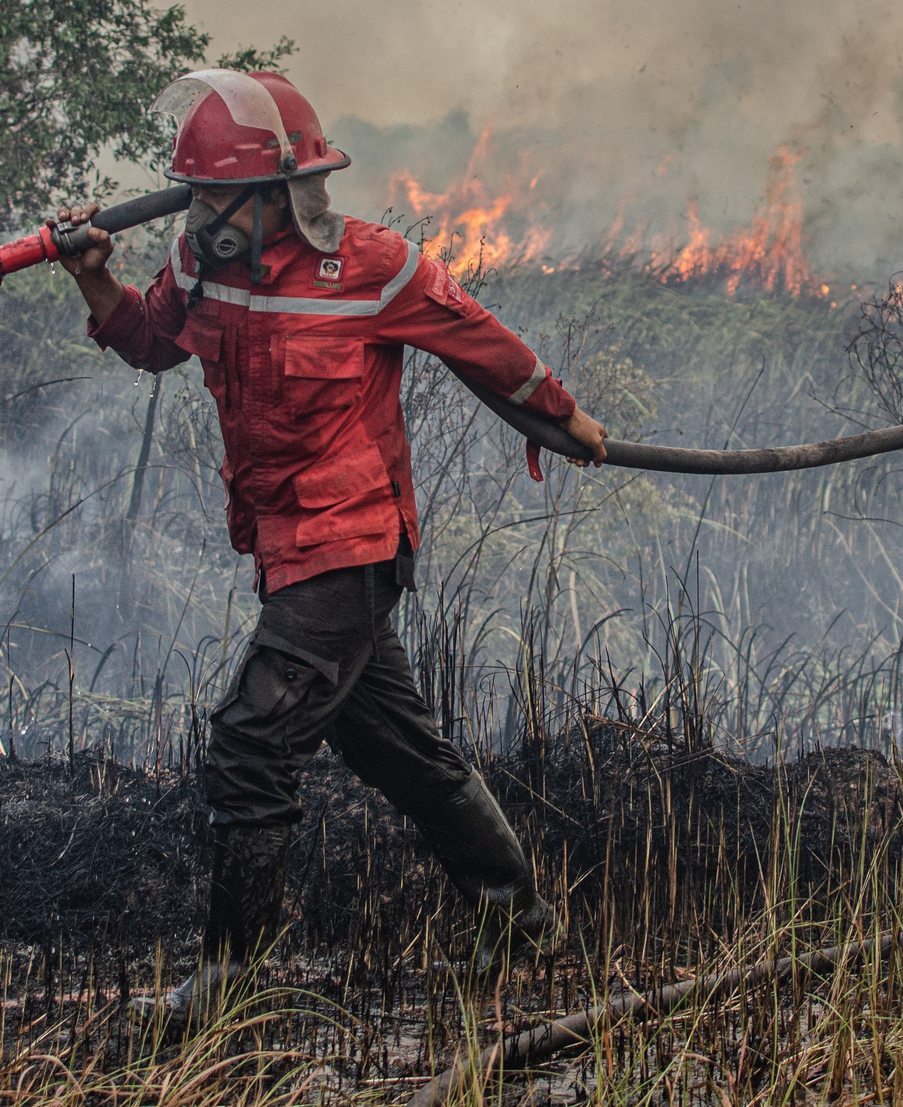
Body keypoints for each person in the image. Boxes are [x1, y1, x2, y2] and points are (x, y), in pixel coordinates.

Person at [55, 68, 612, 1034]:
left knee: (251, 738)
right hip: (282, 545)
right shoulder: (201, 269)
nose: (200, 213)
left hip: (352, 545)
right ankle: (517, 916)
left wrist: (563, 418)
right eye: (193, 194)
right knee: (389, 743)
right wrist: (92, 273)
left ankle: (230, 981)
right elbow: (150, 342)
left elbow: (483, 343)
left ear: (281, 190)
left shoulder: (374, 267)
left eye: (217, 194)